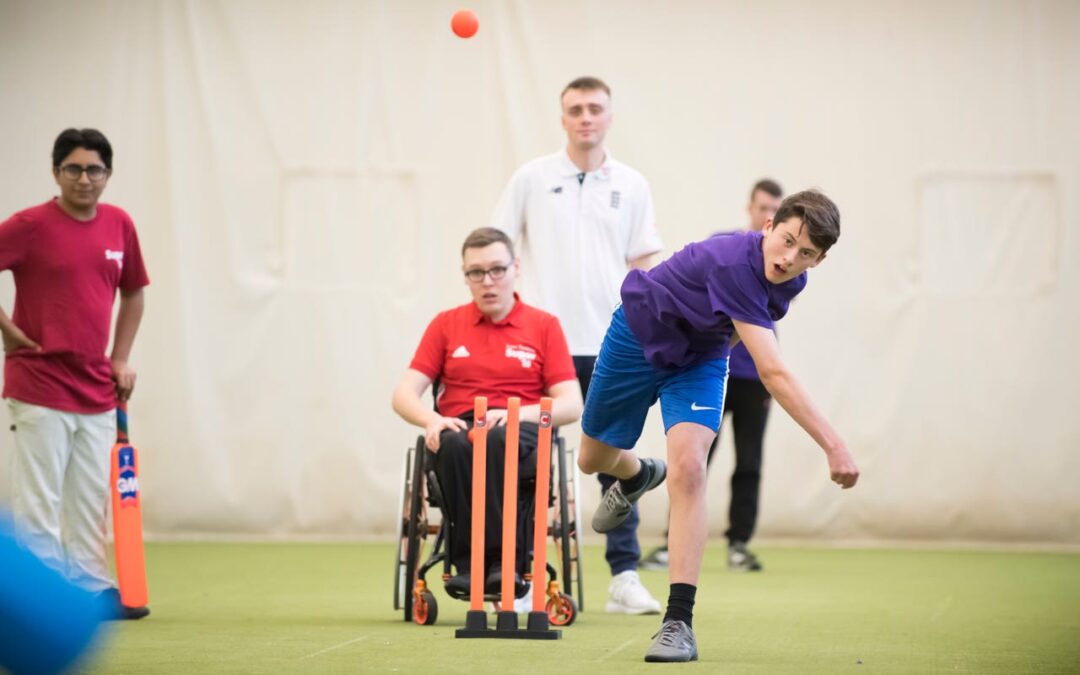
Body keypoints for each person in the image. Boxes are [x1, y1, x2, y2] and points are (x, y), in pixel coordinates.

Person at [577, 190, 860, 662]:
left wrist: (707, 357)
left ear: (821, 259)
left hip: (700, 359)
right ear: (768, 226)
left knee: (689, 469)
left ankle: (677, 623)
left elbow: (735, 331)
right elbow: (772, 371)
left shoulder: (793, 281)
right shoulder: (734, 262)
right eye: (786, 240)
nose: (790, 259)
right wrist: (834, 445)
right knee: (592, 460)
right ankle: (636, 475)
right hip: (637, 334)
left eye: (806, 253)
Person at [491, 76, 664, 614]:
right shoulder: (531, 178)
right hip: (543, 345)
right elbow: (498, 247)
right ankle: (523, 578)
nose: (585, 117)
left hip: (613, 342)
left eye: (595, 109)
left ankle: (624, 577)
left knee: (613, 457)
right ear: (562, 118)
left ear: (609, 117)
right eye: (575, 109)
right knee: (528, 458)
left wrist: (651, 332)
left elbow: (644, 264)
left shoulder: (632, 184)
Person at [0, 128, 150, 620]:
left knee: (88, 498)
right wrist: (9, 331)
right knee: (37, 500)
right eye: (74, 168)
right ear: (56, 172)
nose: (84, 179)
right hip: (38, 383)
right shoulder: (29, 225)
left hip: (96, 389)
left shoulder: (119, 225)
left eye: (94, 169)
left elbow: (132, 292)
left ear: (108, 174)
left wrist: (120, 357)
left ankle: (90, 590)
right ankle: (41, 598)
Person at [391, 227, 583, 600]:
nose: (488, 281)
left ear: (516, 268)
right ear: (465, 276)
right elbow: (403, 395)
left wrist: (517, 415)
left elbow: (571, 404)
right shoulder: (446, 324)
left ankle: (503, 564)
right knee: (459, 444)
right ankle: (468, 567)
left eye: (497, 269)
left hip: (522, 425)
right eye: (476, 272)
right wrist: (431, 420)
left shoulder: (544, 325)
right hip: (459, 425)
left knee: (496, 438)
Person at [640, 179, 784, 573]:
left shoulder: (783, 265)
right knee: (694, 458)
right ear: (751, 209)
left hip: (755, 379)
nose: (767, 214)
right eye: (762, 207)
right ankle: (673, 543)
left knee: (750, 460)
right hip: (713, 370)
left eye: (776, 207)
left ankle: (739, 544)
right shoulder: (727, 247)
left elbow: (765, 321)